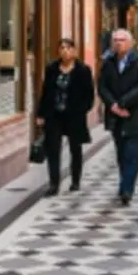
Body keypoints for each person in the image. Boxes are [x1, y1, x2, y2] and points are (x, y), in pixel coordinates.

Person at [98, 29, 138, 205]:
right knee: (121, 153)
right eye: (115, 40)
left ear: (130, 43)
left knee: (132, 154)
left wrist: (123, 103)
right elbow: (102, 86)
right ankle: (124, 184)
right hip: (115, 116)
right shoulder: (108, 63)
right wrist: (113, 105)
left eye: (122, 40)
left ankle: (127, 189)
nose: (118, 43)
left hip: (133, 114)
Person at [36, 38, 95, 196]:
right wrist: (41, 114)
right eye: (62, 48)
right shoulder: (52, 69)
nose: (65, 51)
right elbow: (46, 92)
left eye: (68, 48)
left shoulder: (83, 70)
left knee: (75, 149)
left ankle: (75, 180)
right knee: (53, 149)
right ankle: (54, 183)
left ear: (74, 51)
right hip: (54, 115)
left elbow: (89, 95)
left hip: (74, 115)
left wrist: (83, 109)